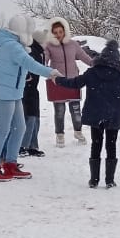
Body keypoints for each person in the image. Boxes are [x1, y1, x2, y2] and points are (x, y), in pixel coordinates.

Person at [52, 40, 120, 188]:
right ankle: (109, 180)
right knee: (111, 146)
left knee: (96, 145)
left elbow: (75, 83)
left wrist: (58, 80)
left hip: (95, 114)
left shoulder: (92, 72)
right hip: (113, 116)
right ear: (117, 59)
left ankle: (94, 180)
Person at [0, 16, 58, 182]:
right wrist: (49, 72)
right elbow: (28, 63)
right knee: (2, 131)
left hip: (14, 93)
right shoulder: (11, 46)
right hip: (2, 95)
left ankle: (11, 163)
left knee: (19, 128)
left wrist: (22, 79)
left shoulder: (16, 46)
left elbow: (16, 67)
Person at [42, 17, 94, 147]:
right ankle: (60, 135)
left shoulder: (73, 44)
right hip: (57, 82)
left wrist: (97, 65)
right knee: (59, 111)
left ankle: (78, 132)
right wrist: (51, 72)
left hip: (73, 81)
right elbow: (44, 62)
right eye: (56, 32)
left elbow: (85, 58)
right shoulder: (48, 46)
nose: (59, 35)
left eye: (61, 31)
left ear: (65, 31)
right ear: (52, 33)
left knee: (76, 110)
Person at [19, 29, 48, 157]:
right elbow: (27, 65)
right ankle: (23, 145)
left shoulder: (39, 51)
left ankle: (32, 146)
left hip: (33, 89)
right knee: (29, 117)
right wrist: (27, 76)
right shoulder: (32, 51)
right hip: (27, 89)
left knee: (35, 117)